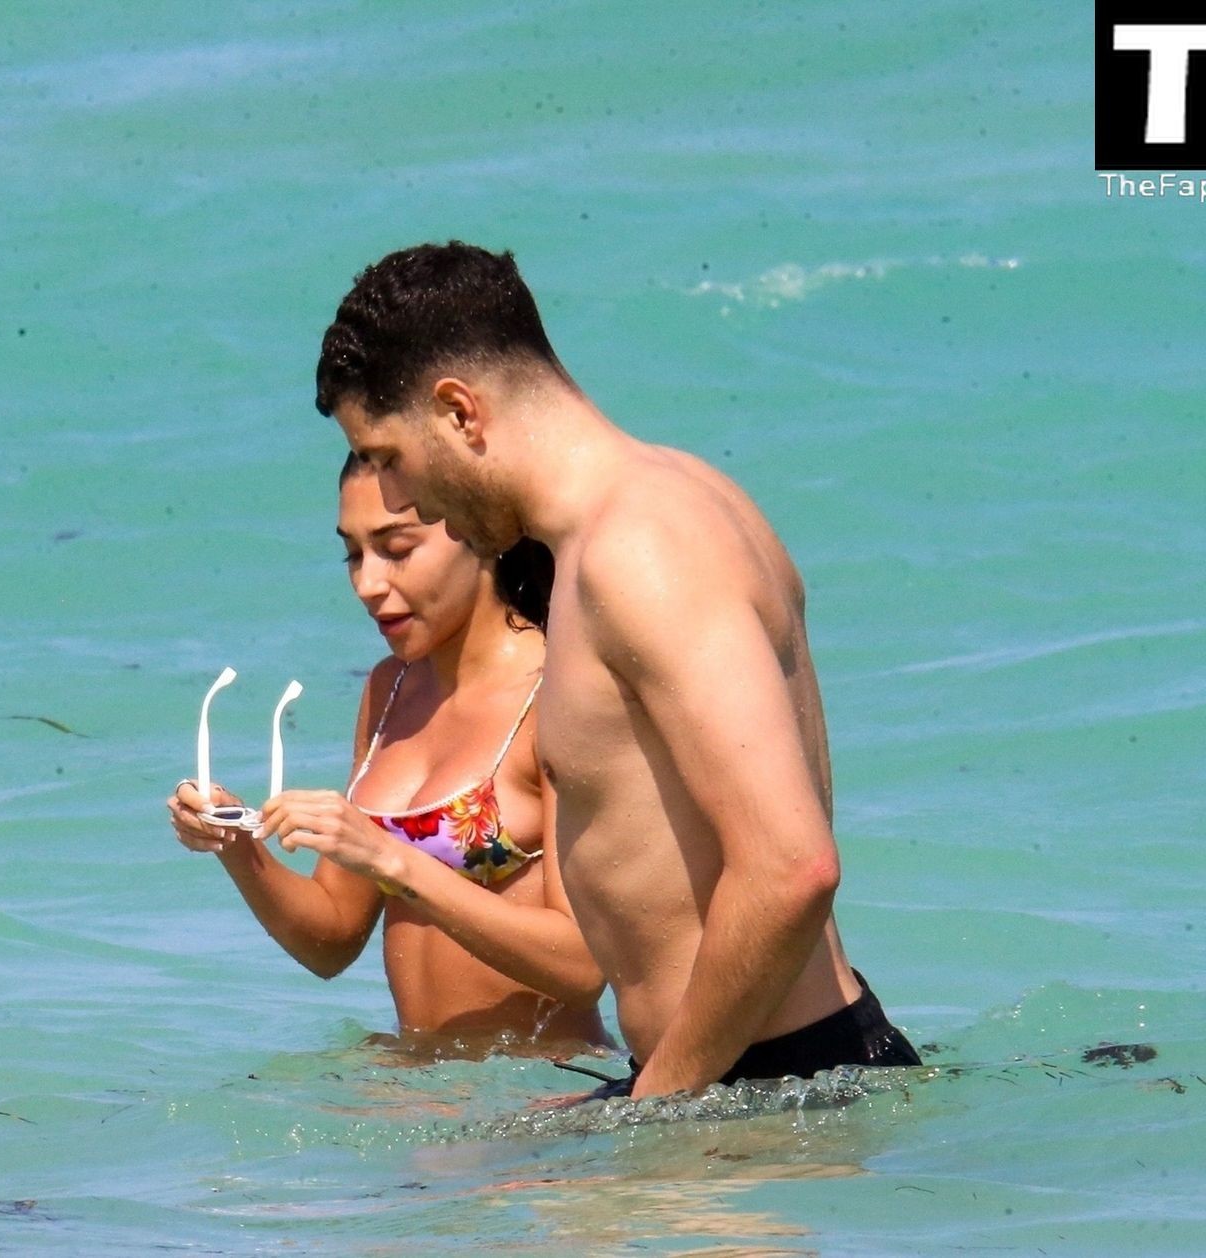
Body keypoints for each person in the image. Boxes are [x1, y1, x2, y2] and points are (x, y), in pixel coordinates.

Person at [311, 241, 923, 1099]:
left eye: (389, 456)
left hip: (770, 1083)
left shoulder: (639, 548)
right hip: (735, 1073)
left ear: (459, 411)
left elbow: (792, 868)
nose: (406, 498)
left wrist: (655, 1104)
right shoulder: (678, 497)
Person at [167, 455, 607, 1050]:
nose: (367, 584)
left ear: (480, 530)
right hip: (423, 1081)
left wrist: (388, 858)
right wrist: (234, 842)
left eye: (396, 549)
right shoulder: (390, 689)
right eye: (353, 554)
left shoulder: (558, 694)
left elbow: (582, 968)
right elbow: (332, 940)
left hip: (545, 1086)